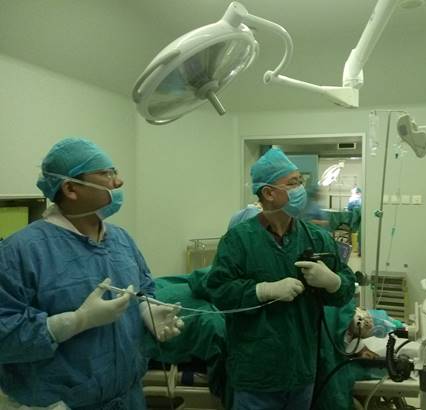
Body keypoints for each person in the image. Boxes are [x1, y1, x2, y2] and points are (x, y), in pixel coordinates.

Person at [0, 138, 183, 410]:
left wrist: (147, 310)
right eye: (106, 174)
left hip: (128, 397)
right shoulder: (20, 251)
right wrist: (74, 322)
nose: (118, 182)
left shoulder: (121, 240)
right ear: (70, 188)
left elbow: (145, 287)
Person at [206, 148, 355, 410]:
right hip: (256, 375)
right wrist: (263, 291)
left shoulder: (315, 238)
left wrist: (333, 282)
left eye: (300, 182)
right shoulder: (238, 240)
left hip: (301, 372)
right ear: (269, 193)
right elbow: (219, 291)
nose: (301, 189)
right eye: (293, 183)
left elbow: (344, 287)